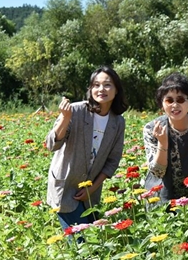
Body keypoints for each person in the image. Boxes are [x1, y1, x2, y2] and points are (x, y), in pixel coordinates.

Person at [46, 66, 128, 231]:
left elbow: (113, 161)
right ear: (90, 89)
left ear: (116, 90)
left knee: (94, 239)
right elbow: (51, 144)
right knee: (81, 242)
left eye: (107, 85)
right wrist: (65, 118)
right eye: (96, 85)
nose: (101, 89)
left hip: (91, 193)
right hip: (65, 187)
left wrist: (92, 188)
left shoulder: (118, 122)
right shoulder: (76, 111)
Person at [143, 73, 188, 201]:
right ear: (162, 104)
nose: (175, 105)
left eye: (181, 99)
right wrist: (162, 143)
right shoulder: (151, 129)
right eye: (169, 100)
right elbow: (157, 173)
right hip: (162, 195)